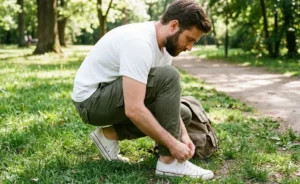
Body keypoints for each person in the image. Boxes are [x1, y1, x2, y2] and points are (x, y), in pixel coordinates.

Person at [72, 0, 213, 180]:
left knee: (183, 113)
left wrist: (182, 136)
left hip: (108, 97)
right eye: (190, 39)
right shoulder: (139, 42)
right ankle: (168, 162)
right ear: (174, 26)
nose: (189, 47)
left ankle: (108, 135)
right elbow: (134, 108)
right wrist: (173, 145)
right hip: (91, 102)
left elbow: (162, 103)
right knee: (169, 76)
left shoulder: (164, 48)